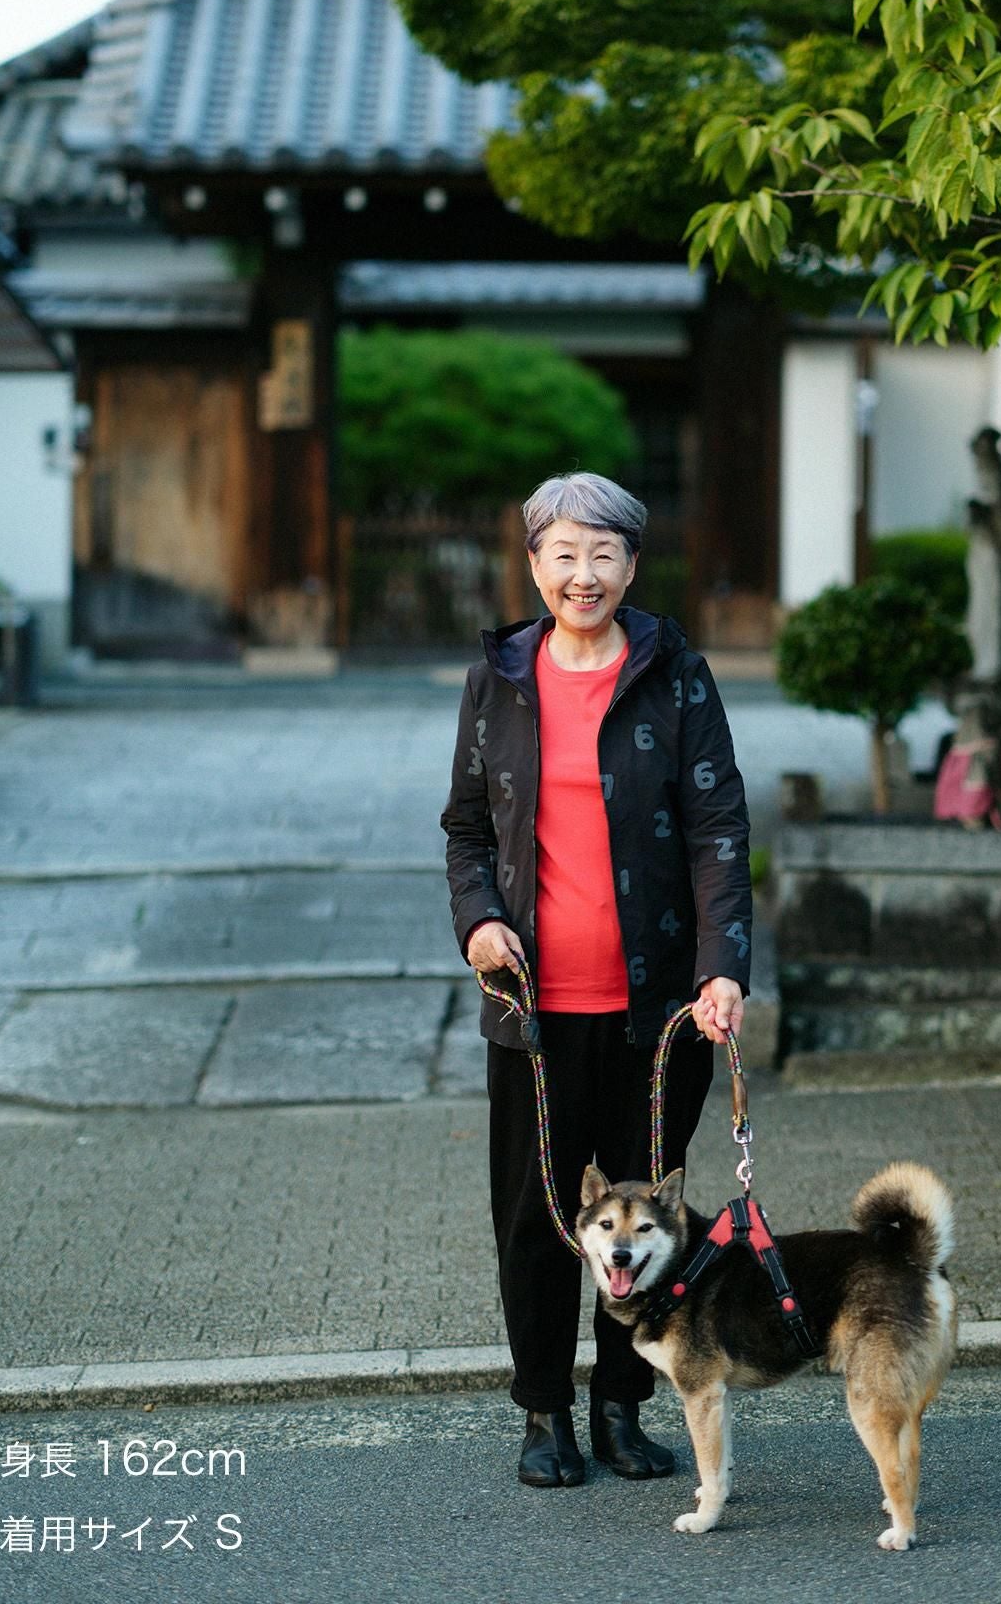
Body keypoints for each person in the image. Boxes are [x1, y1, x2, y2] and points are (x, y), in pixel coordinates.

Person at [441, 470, 752, 1489]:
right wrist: (480, 919)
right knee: (539, 1217)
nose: (584, 573)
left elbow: (716, 829)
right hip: (532, 1013)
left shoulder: (677, 674)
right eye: (564, 553)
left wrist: (720, 970)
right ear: (534, 562)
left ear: (631, 564)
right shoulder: (498, 678)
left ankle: (624, 1406)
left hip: (657, 1013)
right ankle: (544, 1412)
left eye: (604, 552)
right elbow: (467, 829)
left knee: (645, 1222)